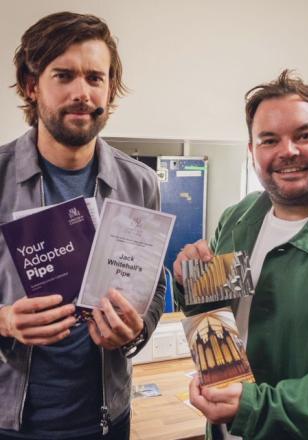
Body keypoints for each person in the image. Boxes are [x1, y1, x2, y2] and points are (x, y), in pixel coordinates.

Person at [0, 11, 165, 440]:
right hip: (10, 422)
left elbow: (153, 288)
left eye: (95, 78)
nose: (81, 92)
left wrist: (135, 330)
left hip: (106, 420)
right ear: (32, 86)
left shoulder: (140, 183)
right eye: (64, 75)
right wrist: (3, 321)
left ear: (110, 89)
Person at [173, 70, 308, 439]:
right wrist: (187, 284)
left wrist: (255, 406)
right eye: (269, 139)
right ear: (252, 151)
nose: (287, 151)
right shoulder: (237, 218)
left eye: (305, 135)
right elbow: (214, 318)